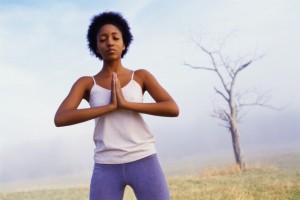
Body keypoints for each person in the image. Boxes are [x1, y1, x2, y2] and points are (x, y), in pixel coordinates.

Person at [54, 11, 179, 200]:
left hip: (144, 159)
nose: (110, 42)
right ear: (96, 47)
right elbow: (61, 117)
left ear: (124, 43)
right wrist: (109, 107)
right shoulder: (87, 83)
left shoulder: (140, 76)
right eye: (103, 39)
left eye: (115, 37)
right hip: (106, 165)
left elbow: (172, 108)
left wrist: (127, 104)